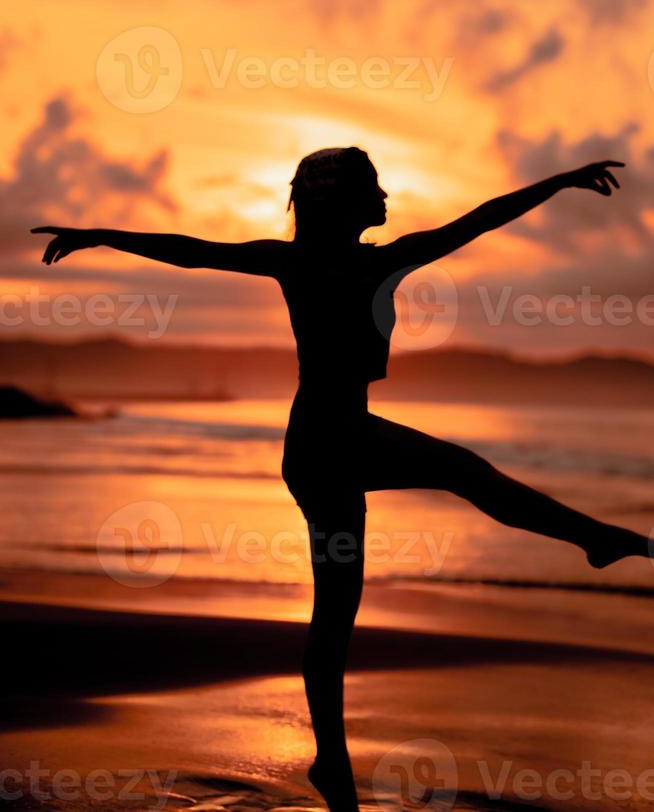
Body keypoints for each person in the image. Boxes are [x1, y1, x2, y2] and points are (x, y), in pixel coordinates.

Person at [32, 147, 650, 812]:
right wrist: (100, 235)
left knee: (346, 602)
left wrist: (557, 182)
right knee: (459, 480)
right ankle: (594, 539)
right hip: (336, 440)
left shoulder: (358, 260)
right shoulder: (327, 261)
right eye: (373, 186)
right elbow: (190, 249)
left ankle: (332, 761)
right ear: (343, 199)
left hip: (323, 442)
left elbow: (481, 220)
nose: (385, 196)